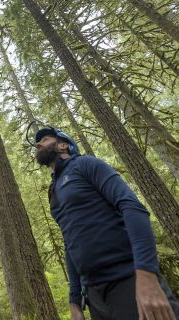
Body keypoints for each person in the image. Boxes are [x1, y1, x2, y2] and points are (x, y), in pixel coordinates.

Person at [34, 126, 179, 320]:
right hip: (95, 297)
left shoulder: (86, 164)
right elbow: (70, 243)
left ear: (63, 145)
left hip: (129, 281)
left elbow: (132, 208)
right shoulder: (53, 192)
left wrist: (147, 274)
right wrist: (75, 301)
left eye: (45, 139)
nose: (38, 144)